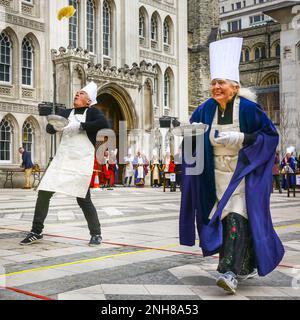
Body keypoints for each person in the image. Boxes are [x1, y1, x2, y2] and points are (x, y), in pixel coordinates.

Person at [179, 37, 284, 295]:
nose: (216, 87)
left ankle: (228, 272)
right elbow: (192, 138)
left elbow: (270, 137)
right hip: (213, 177)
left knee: (236, 216)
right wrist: (185, 137)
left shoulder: (249, 109)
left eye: (221, 83)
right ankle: (243, 264)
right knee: (223, 221)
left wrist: (243, 138)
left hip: (241, 176)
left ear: (234, 87)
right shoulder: (203, 110)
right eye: (213, 83)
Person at [20, 82, 109, 246]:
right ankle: (36, 231)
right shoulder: (66, 112)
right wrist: (57, 126)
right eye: (77, 92)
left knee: (83, 199)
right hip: (63, 158)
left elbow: (105, 125)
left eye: (81, 93)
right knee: (44, 192)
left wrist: (81, 125)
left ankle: (96, 234)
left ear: (89, 101)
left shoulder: (93, 112)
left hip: (80, 160)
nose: (77, 94)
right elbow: (49, 128)